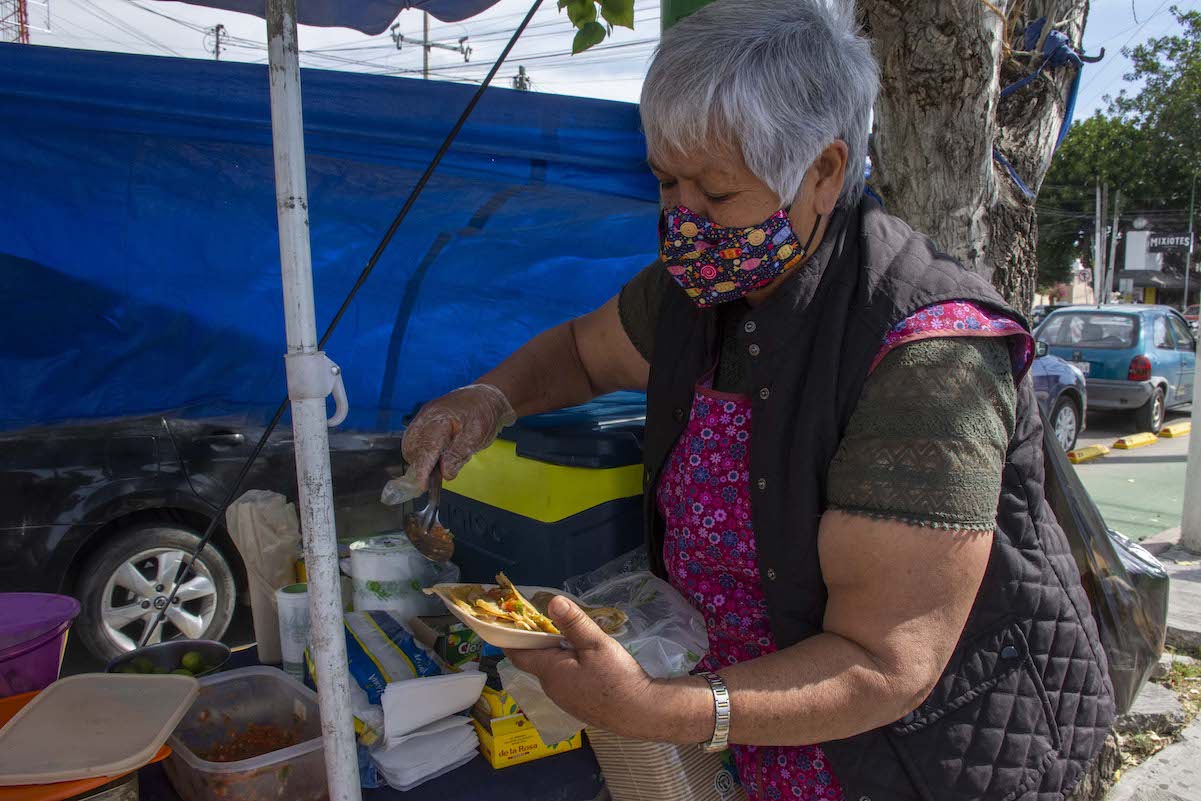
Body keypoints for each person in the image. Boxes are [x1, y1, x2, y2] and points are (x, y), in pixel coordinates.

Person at [399, 1, 1115, 798]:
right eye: (666, 182)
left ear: (823, 172)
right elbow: (579, 352)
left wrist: (658, 707)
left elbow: (885, 661)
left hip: (916, 760)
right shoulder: (696, 289)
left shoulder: (928, 354)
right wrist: (489, 397)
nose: (683, 219)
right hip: (750, 734)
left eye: (717, 191)